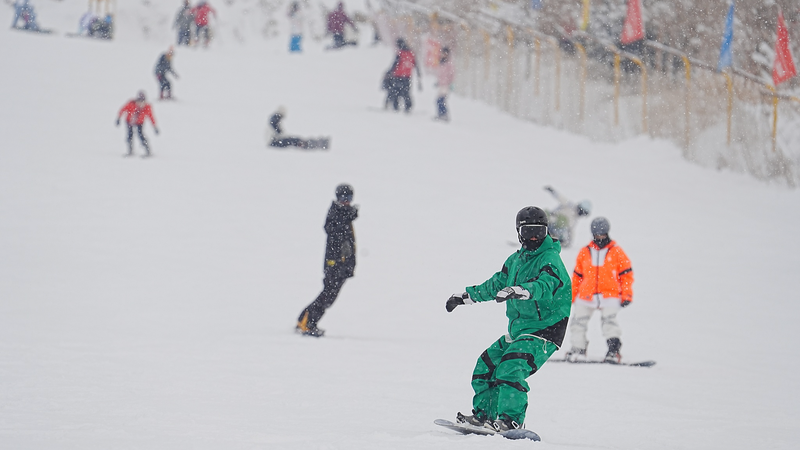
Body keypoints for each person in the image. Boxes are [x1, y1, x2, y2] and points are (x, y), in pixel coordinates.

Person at [446, 206, 572, 432]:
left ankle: (511, 420)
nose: (533, 237)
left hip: (545, 330)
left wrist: (522, 290)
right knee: (486, 365)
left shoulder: (550, 259)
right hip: (520, 329)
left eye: (539, 232)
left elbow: (547, 284)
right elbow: (496, 284)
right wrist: (466, 297)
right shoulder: (515, 260)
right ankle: (485, 415)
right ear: (518, 233)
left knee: (511, 367)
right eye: (528, 232)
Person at [565, 217, 634, 363]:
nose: (599, 237)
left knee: (609, 322)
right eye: (597, 235)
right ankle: (578, 349)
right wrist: (571, 296)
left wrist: (626, 294)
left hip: (609, 294)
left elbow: (626, 274)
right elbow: (577, 276)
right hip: (586, 295)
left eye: (602, 234)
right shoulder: (585, 251)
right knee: (578, 322)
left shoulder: (616, 251)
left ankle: (613, 351)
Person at [296, 184, 358, 337]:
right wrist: (338, 264)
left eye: (349, 198)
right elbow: (334, 235)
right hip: (335, 264)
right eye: (343, 198)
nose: (346, 202)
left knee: (329, 296)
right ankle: (306, 321)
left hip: (341, 265)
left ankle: (307, 321)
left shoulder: (342, 214)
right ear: (337, 198)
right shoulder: (336, 215)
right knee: (327, 295)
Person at [116, 91, 159, 157]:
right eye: (139, 102)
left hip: (139, 122)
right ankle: (130, 150)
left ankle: (148, 151)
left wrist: (154, 127)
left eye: (143, 102)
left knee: (141, 135)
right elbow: (122, 110)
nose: (141, 104)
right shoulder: (130, 104)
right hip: (129, 121)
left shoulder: (147, 107)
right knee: (129, 135)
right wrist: (118, 118)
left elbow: (151, 117)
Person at [385, 38, 422, 112]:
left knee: (396, 91)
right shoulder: (411, 53)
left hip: (398, 75)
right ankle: (408, 106)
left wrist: (389, 72)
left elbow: (395, 64)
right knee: (406, 92)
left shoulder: (400, 53)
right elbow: (415, 64)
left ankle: (396, 106)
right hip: (407, 76)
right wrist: (418, 73)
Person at [435, 47, 455, 121]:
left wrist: (451, 83)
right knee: (439, 100)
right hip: (441, 84)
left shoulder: (449, 63)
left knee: (440, 100)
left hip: (446, 85)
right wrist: (438, 82)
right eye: (443, 53)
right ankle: (441, 114)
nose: (444, 54)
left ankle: (444, 114)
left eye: (445, 53)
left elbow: (451, 74)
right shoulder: (441, 62)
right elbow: (440, 73)